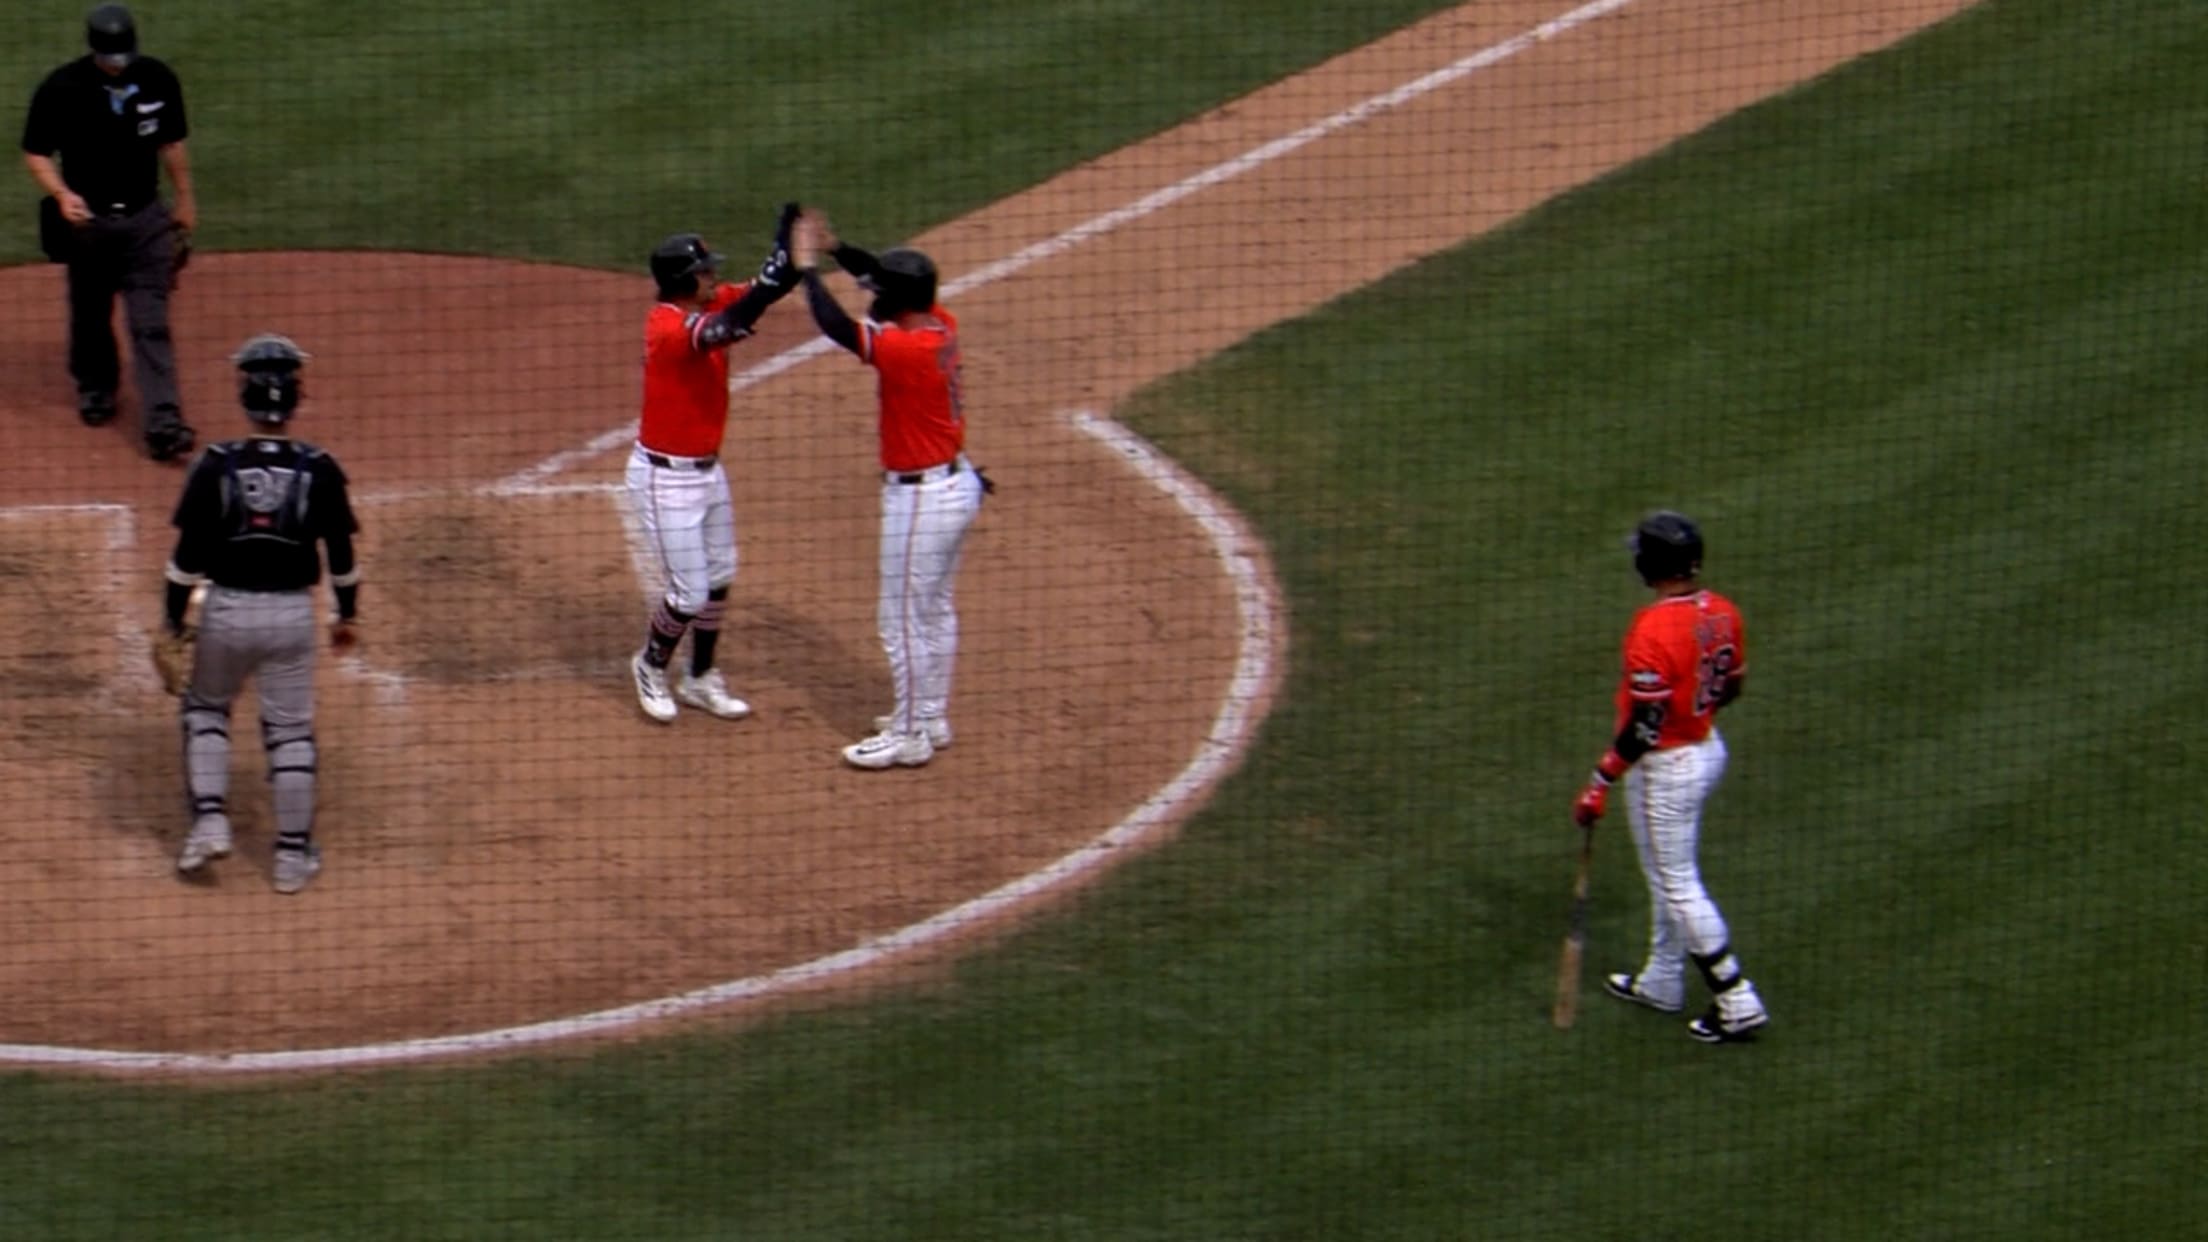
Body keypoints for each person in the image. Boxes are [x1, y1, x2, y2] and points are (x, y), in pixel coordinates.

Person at [154, 335, 360, 895]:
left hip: (226, 612)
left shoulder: (214, 464)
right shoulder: (320, 467)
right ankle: (291, 860)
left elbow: (185, 562)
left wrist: (173, 622)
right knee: (290, 732)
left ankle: (210, 823)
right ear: (296, 399)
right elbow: (342, 558)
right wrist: (347, 617)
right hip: (292, 617)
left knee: (206, 710)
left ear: (243, 397)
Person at [792, 209, 990, 771]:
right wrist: (838, 247)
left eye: (881, 292)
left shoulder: (905, 351)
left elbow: (837, 326)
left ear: (900, 300)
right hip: (955, 482)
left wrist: (807, 269)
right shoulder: (938, 324)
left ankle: (908, 735)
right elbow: (877, 279)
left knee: (901, 620)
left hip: (922, 500)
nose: (872, 295)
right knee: (934, 609)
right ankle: (929, 717)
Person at [1570, 511, 1769, 1043]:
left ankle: (1736, 998)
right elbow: (1733, 684)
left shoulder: (1652, 630)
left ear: (1649, 565)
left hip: (1667, 769)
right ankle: (1662, 979)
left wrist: (1600, 780)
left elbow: (1646, 727)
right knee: (1668, 874)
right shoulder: (1722, 611)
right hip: (1705, 749)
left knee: (1678, 884)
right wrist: (1693, 713)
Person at [626, 205, 802, 724]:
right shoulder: (666, 327)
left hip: (708, 472)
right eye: (705, 271)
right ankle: (649, 665)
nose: (714, 277)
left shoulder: (710, 303)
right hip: (664, 479)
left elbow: (761, 293)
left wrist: (789, 257)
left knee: (720, 574)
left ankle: (700, 677)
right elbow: (725, 327)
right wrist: (765, 288)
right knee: (688, 593)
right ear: (684, 280)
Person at [19, 3, 198, 461]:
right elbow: (35, 152)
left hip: (146, 222)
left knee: (150, 322)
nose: (119, 63)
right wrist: (61, 194)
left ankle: (164, 421)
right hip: (89, 225)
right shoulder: (63, 88)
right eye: (111, 56)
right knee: (90, 314)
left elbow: (171, 143)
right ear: (95, 49)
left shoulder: (157, 78)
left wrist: (185, 199)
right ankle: (96, 387)